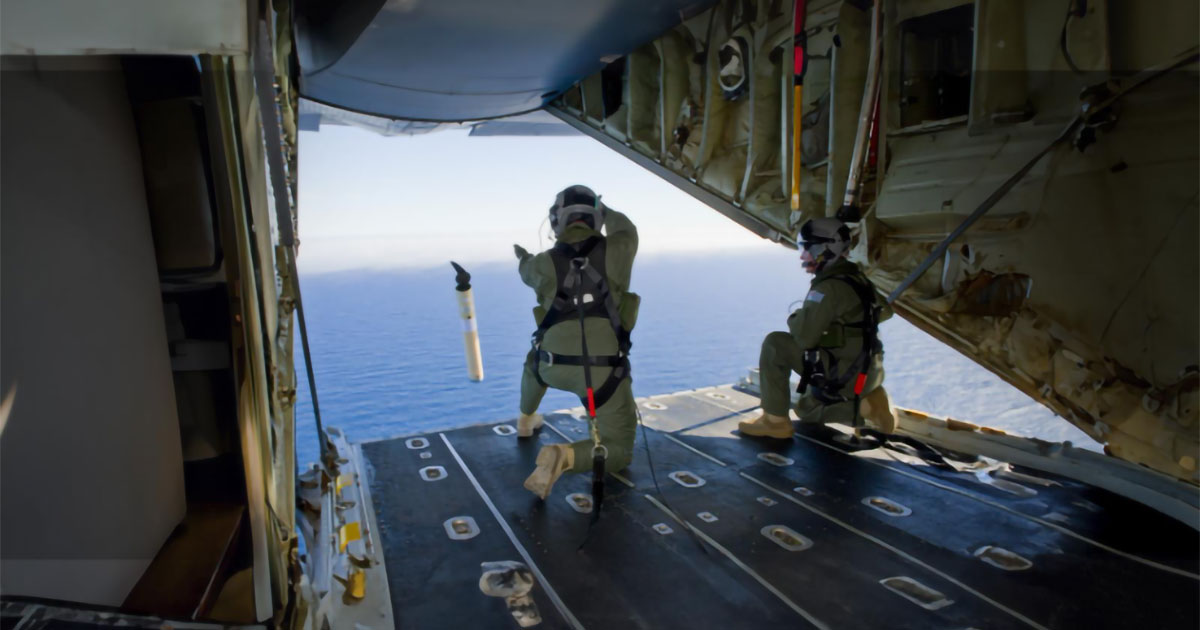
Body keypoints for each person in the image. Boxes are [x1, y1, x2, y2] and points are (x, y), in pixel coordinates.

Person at [513, 185, 640, 499]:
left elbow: (525, 270)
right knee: (619, 449)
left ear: (557, 221)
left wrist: (524, 257)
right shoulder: (620, 248)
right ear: (596, 219)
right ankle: (566, 457)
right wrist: (606, 211)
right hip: (603, 375)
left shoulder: (541, 263)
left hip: (552, 366)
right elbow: (627, 229)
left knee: (533, 361)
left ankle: (525, 420)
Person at [738, 217, 897, 439]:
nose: (803, 256)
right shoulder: (858, 279)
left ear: (825, 250)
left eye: (807, 249)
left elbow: (804, 337)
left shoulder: (827, 288)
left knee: (776, 345)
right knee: (807, 402)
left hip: (846, 373)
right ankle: (872, 398)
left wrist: (796, 318)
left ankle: (776, 422)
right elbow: (885, 311)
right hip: (869, 371)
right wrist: (841, 328)